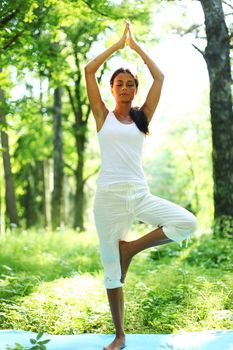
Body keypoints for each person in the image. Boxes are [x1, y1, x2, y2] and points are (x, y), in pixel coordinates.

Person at [84, 21, 198, 350]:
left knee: (186, 222)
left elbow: (160, 77)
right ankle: (119, 335)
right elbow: (89, 71)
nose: (124, 88)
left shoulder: (142, 117)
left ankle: (131, 248)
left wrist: (136, 48)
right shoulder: (102, 115)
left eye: (129, 84)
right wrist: (116, 45)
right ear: (112, 89)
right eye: (119, 83)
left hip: (139, 195)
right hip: (107, 199)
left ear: (135, 89)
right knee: (111, 270)